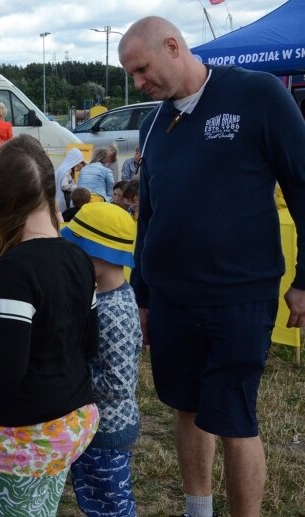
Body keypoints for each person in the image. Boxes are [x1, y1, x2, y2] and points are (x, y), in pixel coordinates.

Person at [119, 16, 305, 517]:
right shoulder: (152, 121)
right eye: (131, 76)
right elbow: (149, 215)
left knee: (234, 415)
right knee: (186, 405)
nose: (138, 84)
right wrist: (142, 296)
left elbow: (303, 186)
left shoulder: (258, 95)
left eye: (142, 70)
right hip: (172, 296)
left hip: (239, 293)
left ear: (174, 46)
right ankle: (197, 509)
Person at [0, 134, 99, 516]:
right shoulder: (79, 258)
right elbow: (89, 345)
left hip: (27, 434)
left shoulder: (15, 271)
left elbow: (6, 368)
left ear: (2, 203)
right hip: (69, 421)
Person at [62, 202, 142, 517]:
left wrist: (67, 372)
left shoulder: (116, 311)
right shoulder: (104, 295)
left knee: (109, 507)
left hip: (106, 431)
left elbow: (119, 383)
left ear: (97, 258)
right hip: (94, 426)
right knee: (96, 501)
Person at [54, 147, 86, 212]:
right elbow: (64, 186)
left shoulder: (61, 168)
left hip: (57, 200)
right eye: (79, 162)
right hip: (63, 201)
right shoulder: (66, 170)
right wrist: (76, 187)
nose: (78, 165)